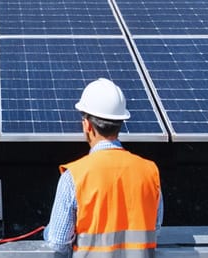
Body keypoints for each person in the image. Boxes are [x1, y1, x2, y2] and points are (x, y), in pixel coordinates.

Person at [44, 78, 163, 257]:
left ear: (87, 125)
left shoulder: (74, 176)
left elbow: (58, 241)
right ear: (120, 123)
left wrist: (47, 231)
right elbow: (155, 228)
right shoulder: (149, 172)